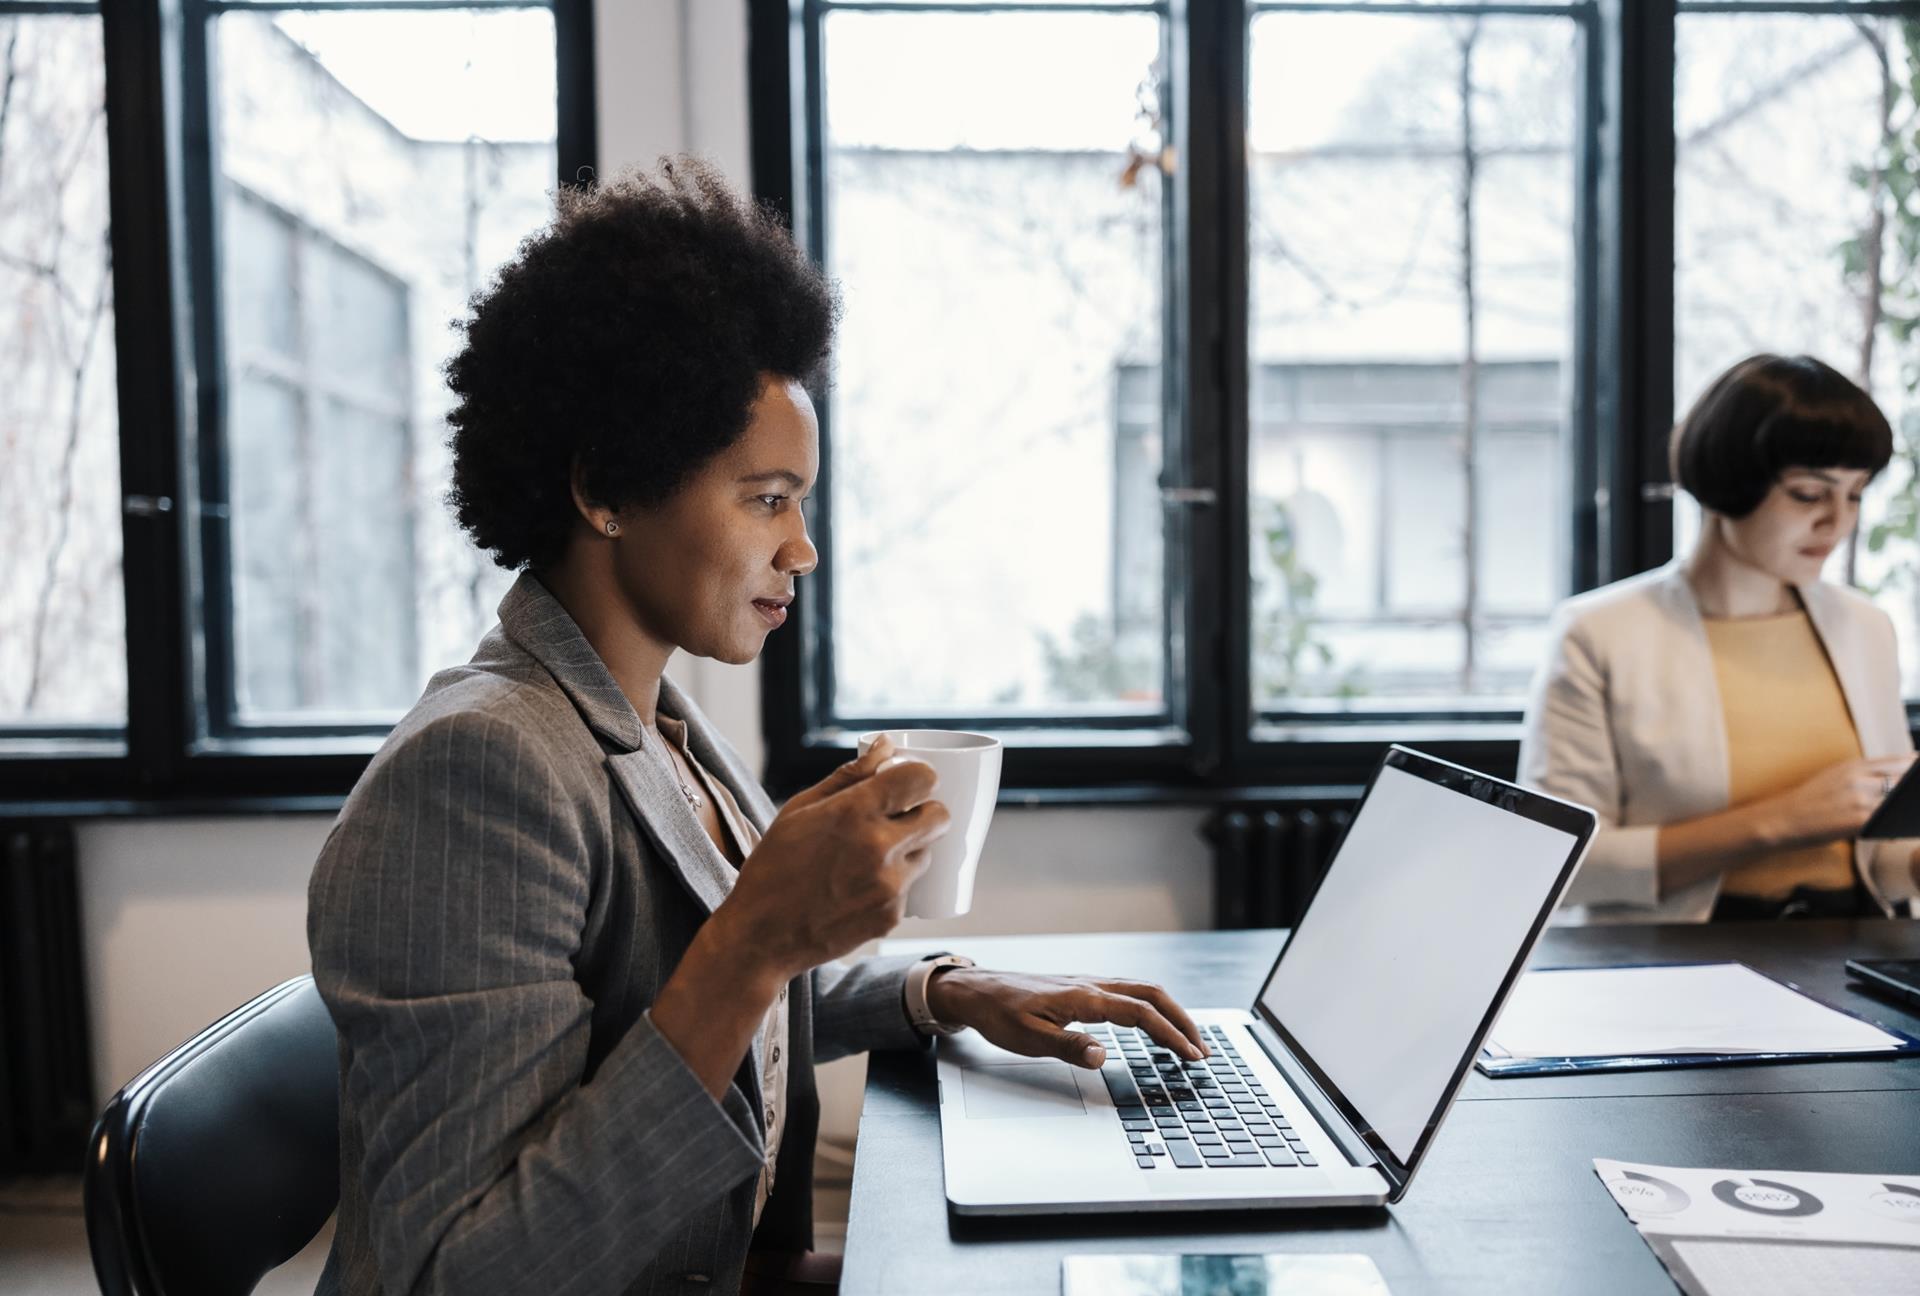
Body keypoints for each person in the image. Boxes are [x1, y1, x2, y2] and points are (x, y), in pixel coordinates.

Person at [305, 159, 1210, 1296]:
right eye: (767, 497)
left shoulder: (657, 724)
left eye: (803, 501)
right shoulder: (477, 772)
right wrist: (757, 938)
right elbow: (464, 1275)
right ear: (608, 491)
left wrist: (942, 992)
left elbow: (677, 995)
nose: (803, 548)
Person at [1519, 353, 1920, 924]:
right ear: (1730, 478)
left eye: (1855, 495)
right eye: (1810, 494)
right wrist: (1782, 820)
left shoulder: (1866, 627)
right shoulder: (1600, 635)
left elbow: (1881, 857)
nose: (1838, 522)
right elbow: (1558, 865)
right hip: (1685, 963)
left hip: (1850, 948)